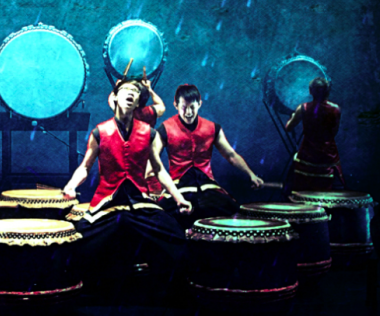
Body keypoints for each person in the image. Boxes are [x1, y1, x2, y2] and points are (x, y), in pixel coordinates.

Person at [63, 79, 191, 287]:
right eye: (125, 90)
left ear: (138, 102)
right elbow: (85, 167)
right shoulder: (100, 132)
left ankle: (167, 289)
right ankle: (87, 289)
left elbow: (159, 170)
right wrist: (71, 185)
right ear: (114, 98)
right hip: (105, 203)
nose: (130, 93)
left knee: (175, 236)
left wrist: (179, 198)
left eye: (135, 91)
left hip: (140, 202)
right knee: (77, 241)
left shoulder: (149, 133)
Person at [156, 84, 264, 229]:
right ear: (175, 105)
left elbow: (230, 155)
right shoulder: (164, 129)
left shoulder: (212, 128)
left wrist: (251, 174)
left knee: (233, 212)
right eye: (184, 107)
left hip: (207, 184)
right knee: (160, 218)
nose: (188, 112)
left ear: (200, 104)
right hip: (178, 185)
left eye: (192, 107)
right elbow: (153, 160)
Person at [108, 75, 167, 195]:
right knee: (150, 172)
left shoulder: (124, 112)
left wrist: (118, 88)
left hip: (130, 149)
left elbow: (111, 100)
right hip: (146, 148)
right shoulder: (149, 112)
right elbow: (161, 106)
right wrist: (149, 89)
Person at [285, 77, 344, 191]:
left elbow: (288, 128)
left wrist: (292, 117)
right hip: (328, 155)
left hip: (308, 154)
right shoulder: (335, 109)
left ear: (311, 91)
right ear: (327, 91)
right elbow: (334, 132)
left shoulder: (303, 108)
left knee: (302, 189)